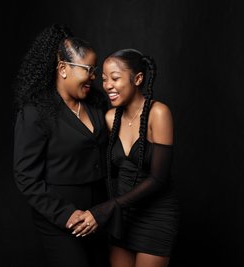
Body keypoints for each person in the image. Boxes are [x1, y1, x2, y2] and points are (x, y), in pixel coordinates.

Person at [68, 49, 180, 267]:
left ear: (137, 79)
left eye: (115, 78)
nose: (108, 85)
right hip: (122, 217)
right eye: (104, 79)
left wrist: (107, 208)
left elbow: (159, 179)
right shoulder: (110, 118)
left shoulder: (159, 113)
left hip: (155, 216)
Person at [13, 24, 110, 267]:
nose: (94, 77)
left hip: (99, 216)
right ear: (63, 69)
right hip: (61, 220)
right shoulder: (36, 113)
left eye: (94, 70)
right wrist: (66, 215)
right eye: (88, 70)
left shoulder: (97, 104)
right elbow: (26, 176)